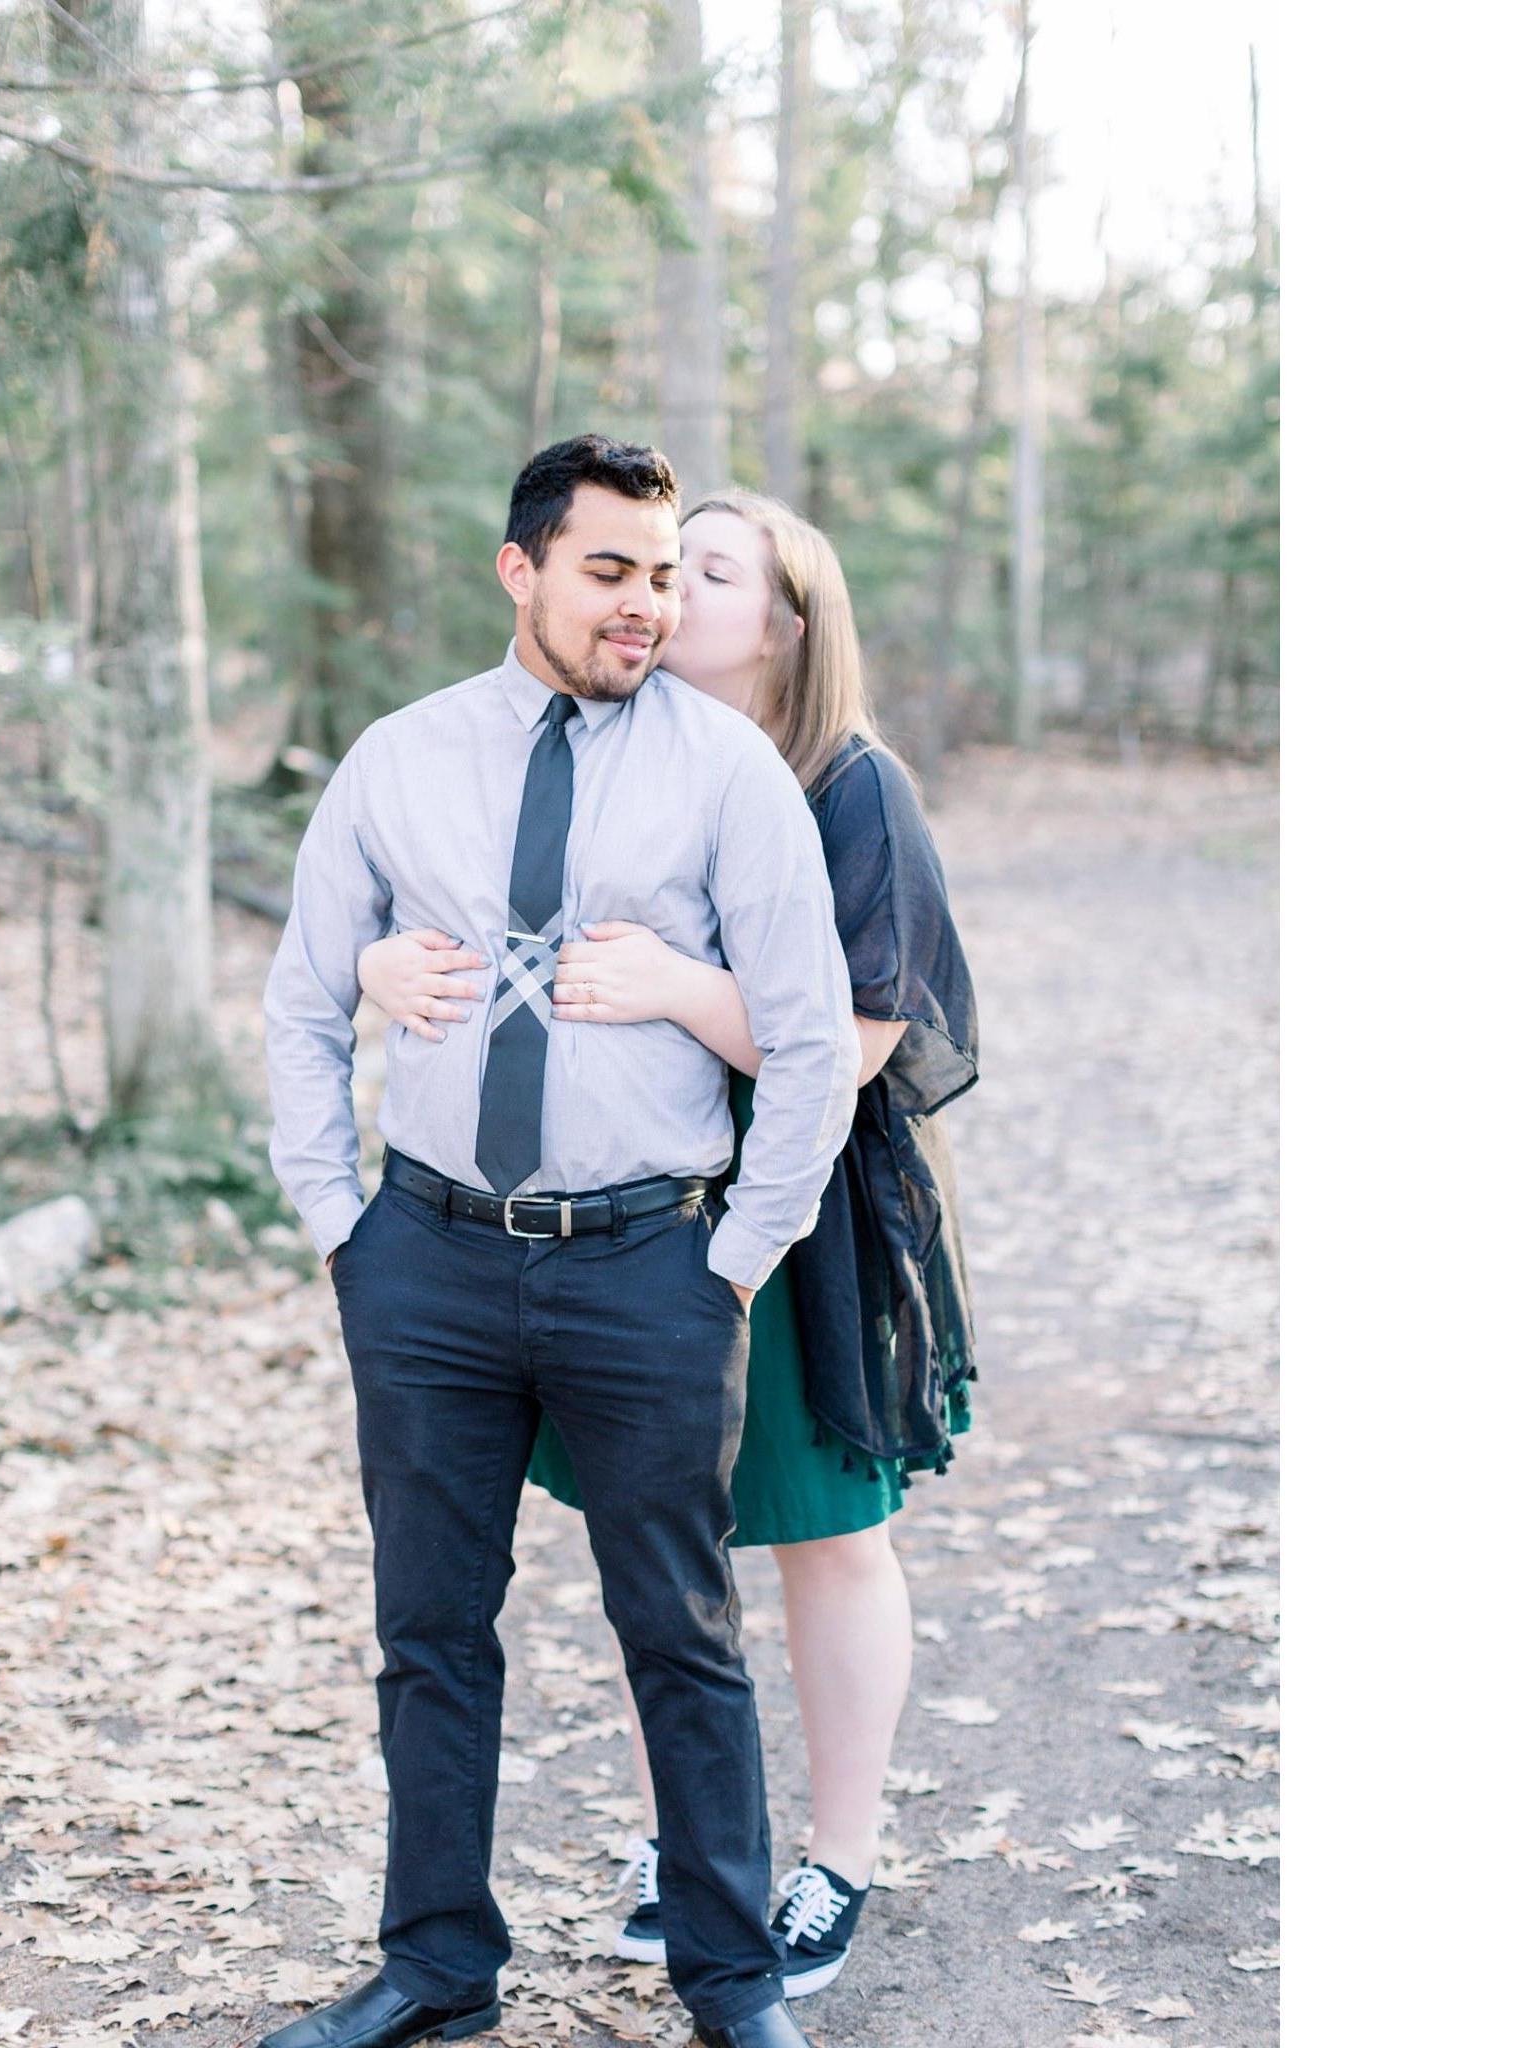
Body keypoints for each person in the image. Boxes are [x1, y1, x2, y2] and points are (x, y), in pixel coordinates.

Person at [261, 438, 860, 2048]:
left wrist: (738, 1254)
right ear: (519, 569)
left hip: (648, 1265)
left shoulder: (726, 773)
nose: (645, 605)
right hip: (428, 1258)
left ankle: (732, 1981)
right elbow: (305, 998)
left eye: (664, 575)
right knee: (429, 1632)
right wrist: (340, 1224)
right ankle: (436, 1964)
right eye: (610, 572)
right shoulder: (400, 759)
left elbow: (810, 1036)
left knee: (681, 1631)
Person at [356, 488, 979, 2004]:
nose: (666, 590)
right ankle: (686, 1854)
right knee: (665, 1547)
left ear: (788, 623)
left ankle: (836, 1859)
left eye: (706, 570)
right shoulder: (603, 748)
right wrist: (381, 964)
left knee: (826, 1530)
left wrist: (682, 993)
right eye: (647, 564)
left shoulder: (850, 786)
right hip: (618, 1213)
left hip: (798, 1205)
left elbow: (865, 1036)